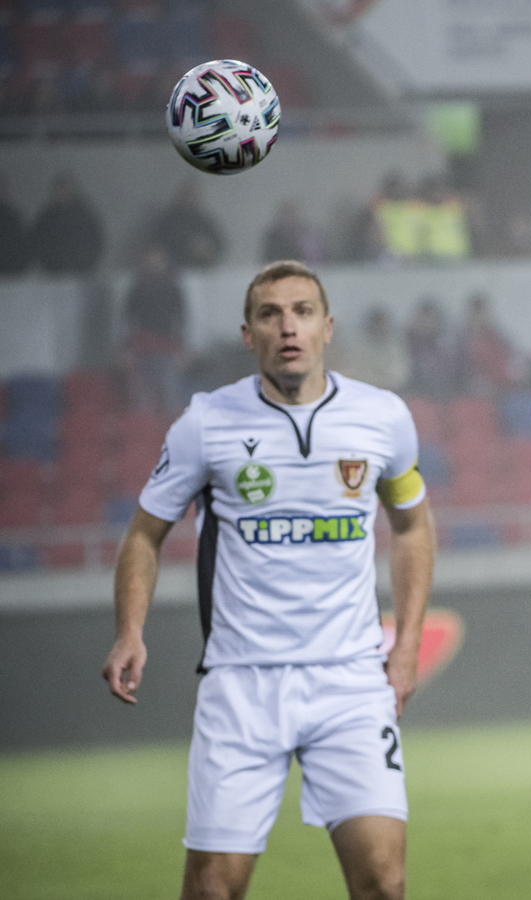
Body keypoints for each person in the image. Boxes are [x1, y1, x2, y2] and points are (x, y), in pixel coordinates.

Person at [101, 260, 436, 900]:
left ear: (327, 327)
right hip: (241, 684)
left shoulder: (382, 417)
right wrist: (129, 631)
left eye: (302, 312)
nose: (288, 327)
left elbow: (413, 526)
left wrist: (408, 646)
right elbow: (144, 534)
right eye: (270, 314)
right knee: (212, 889)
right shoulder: (205, 424)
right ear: (248, 334)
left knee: (384, 883)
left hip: (349, 681)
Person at [120, 246, 189, 410]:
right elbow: (127, 322)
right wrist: (126, 350)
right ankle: (145, 425)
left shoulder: (173, 288)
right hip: (141, 346)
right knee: (142, 398)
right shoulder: (137, 288)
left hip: (167, 347)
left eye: (158, 259)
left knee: (171, 396)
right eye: (151, 259)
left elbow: (182, 321)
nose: (154, 263)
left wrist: (183, 350)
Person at [31, 173, 104, 274]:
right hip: (52, 274)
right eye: (60, 189)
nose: (64, 193)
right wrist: (48, 263)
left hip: (81, 273)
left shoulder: (85, 216)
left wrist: (86, 262)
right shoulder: (46, 217)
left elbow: (95, 240)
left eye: (67, 189)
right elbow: (37, 241)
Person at [150, 182, 227, 268]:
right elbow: (158, 243)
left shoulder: (204, 221)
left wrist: (207, 248)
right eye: (187, 195)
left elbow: (219, 244)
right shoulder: (167, 220)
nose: (190, 199)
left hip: (201, 269)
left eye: (194, 196)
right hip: (174, 268)